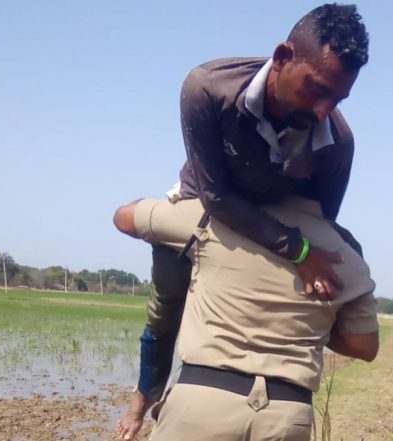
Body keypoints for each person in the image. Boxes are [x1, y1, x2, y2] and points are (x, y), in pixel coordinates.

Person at [114, 3, 374, 439]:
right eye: (316, 89)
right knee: (164, 314)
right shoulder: (209, 89)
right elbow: (217, 197)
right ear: (282, 57)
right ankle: (143, 398)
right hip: (208, 206)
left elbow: (321, 220)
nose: (324, 110)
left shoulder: (337, 142)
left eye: (338, 99)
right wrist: (300, 250)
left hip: (277, 225)